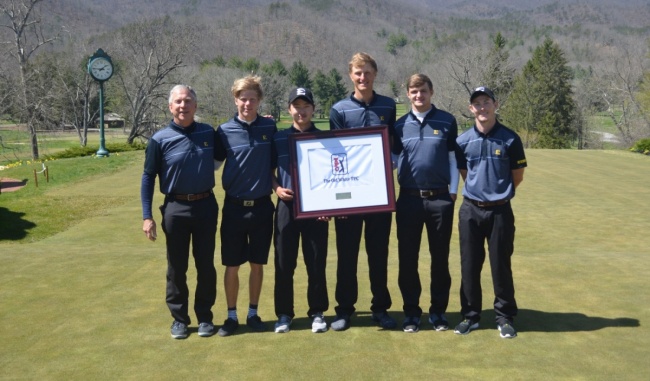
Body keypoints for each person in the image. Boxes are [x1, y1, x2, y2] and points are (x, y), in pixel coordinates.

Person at [140, 85, 218, 339]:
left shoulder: (208, 132)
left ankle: (205, 317)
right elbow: (148, 177)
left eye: (188, 101)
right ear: (170, 106)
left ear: (196, 105)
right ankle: (179, 319)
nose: (183, 106)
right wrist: (147, 216)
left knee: (205, 264)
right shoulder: (159, 139)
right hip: (175, 208)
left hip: (206, 205)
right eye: (178, 102)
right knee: (177, 266)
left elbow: (226, 152)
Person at [328, 52, 397, 331]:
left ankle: (380, 308)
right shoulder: (339, 110)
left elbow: (394, 145)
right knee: (347, 255)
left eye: (367, 72)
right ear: (351, 76)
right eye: (358, 73)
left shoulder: (388, 106)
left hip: (380, 195)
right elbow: (335, 157)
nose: (362, 77)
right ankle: (345, 310)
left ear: (375, 74)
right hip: (349, 197)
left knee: (378, 254)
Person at [455, 87, 527, 339]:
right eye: (477, 103)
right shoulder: (462, 141)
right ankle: (470, 316)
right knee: (469, 266)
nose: (482, 107)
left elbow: (516, 176)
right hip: (471, 211)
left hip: (500, 212)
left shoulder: (510, 139)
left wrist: (498, 194)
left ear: (495, 104)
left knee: (500, 265)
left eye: (486, 102)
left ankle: (504, 317)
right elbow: (466, 174)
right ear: (471, 108)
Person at [392, 74, 459, 333]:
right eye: (414, 91)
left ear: (432, 92)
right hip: (408, 199)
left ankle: (438, 312)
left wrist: (452, 193)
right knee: (407, 259)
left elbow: (453, 159)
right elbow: (393, 160)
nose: (419, 96)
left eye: (423, 91)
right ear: (407, 94)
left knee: (440, 259)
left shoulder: (447, 121)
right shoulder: (399, 126)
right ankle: (411, 313)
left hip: (440, 200)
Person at [214, 75, 277, 336]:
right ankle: (231, 316)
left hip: (262, 206)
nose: (247, 104)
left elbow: (278, 165)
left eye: (252, 99)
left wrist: (276, 185)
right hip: (234, 207)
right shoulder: (224, 131)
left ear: (259, 100)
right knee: (231, 264)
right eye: (243, 99)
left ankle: (253, 312)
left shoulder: (269, 128)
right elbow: (213, 165)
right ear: (235, 99)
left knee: (257, 263)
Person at [272, 88, 330, 334]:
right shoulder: (278, 138)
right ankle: (284, 314)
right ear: (289, 110)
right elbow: (267, 170)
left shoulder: (326, 138)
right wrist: (276, 188)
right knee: (284, 262)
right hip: (286, 206)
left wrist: (330, 205)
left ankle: (317, 312)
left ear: (313, 109)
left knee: (316, 261)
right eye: (296, 106)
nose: (301, 110)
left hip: (317, 209)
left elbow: (334, 175)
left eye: (306, 105)